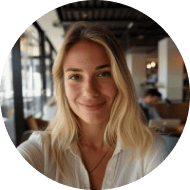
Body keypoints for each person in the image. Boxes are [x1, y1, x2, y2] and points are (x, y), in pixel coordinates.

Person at [17, 22, 168, 189]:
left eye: (103, 74)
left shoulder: (150, 150)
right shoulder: (41, 150)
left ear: (120, 81)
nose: (89, 91)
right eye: (75, 76)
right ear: (62, 85)